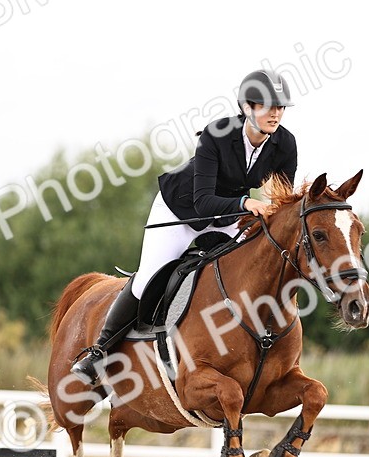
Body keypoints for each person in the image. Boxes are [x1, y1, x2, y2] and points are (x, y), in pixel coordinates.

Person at [70, 68, 298, 385]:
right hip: (181, 211)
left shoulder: (285, 145)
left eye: (280, 107)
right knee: (148, 278)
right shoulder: (216, 136)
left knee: (248, 269)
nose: (276, 113)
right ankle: (100, 353)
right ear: (247, 108)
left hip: (228, 217)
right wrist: (247, 204)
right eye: (267, 106)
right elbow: (204, 201)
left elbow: (280, 200)